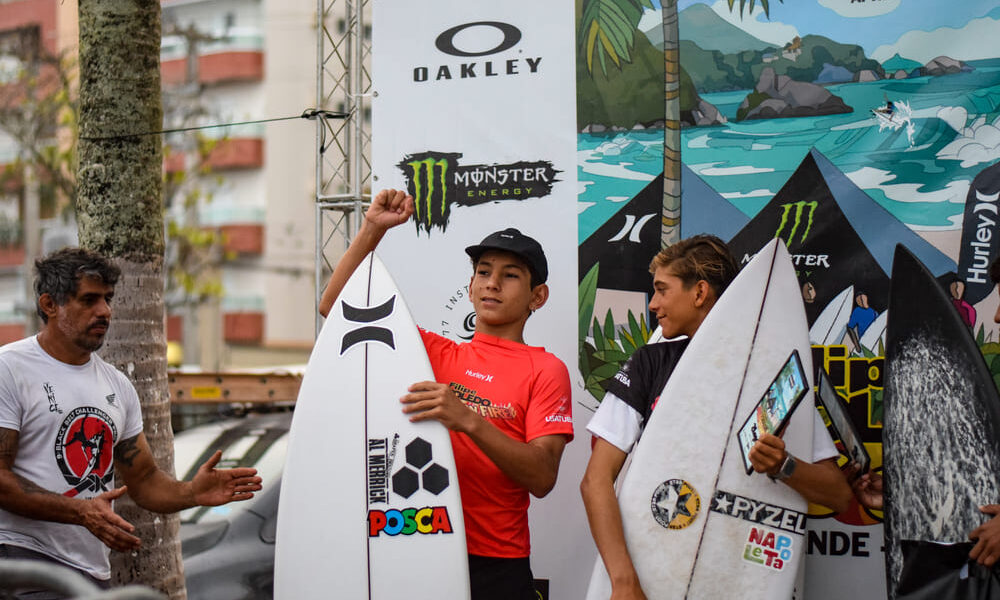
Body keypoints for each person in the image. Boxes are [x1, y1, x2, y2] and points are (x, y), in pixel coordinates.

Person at [318, 189, 574, 600]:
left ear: (537, 296)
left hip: (496, 561)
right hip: (418, 545)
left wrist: (468, 420)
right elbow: (335, 308)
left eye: (510, 275)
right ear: (470, 286)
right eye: (484, 271)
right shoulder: (431, 352)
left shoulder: (545, 370)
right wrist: (372, 229)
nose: (492, 283)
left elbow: (542, 476)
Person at [580, 235, 852, 600]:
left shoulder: (771, 379)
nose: (654, 304)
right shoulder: (650, 363)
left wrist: (783, 465)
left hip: (736, 576)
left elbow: (840, 497)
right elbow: (596, 480)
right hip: (650, 571)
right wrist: (624, 581)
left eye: (662, 290)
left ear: (699, 292)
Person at [0, 248, 262, 597]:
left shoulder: (117, 385)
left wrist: (192, 493)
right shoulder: (10, 369)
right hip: (22, 561)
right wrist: (82, 513)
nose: (105, 311)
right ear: (50, 305)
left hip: (89, 571)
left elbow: (145, 479)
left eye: (107, 299)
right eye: (89, 300)